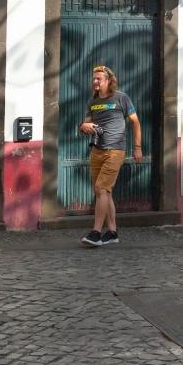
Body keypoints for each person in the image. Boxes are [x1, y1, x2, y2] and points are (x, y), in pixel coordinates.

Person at [78, 65, 142, 248]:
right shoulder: (92, 101)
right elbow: (86, 124)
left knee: (101, 189)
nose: (95, 82)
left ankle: (96, 232)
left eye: (99, 79)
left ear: (109, 81)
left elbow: (135, 122)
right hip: (97, 150)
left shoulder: (121, 98)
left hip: (116, 150)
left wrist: (137, 147)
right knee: (105, 192)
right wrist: (83, 126)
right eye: (94, 79)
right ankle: (112, 232)